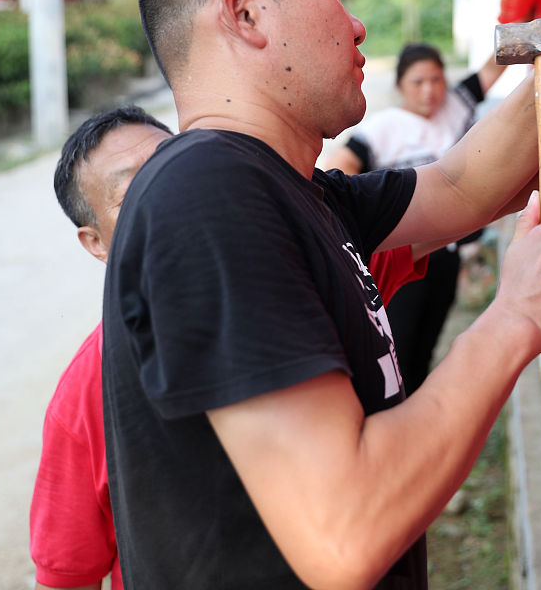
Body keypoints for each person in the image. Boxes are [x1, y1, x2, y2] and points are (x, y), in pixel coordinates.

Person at [104, 0, 541, 589]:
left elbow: (460, 186)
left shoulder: (286, 190)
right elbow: (344, 531)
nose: (358, 24)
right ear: (243, 10)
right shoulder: (208, 197)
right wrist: (516, 318)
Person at [29, 106, 431, 590]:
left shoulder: (300, 274)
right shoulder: (82, 394)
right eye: (131, 192)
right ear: (95, 242)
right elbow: (66, 576)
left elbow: (460, 193)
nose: (166, 198)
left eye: (168, 169)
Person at [324, 44, 506, 390]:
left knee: (426, 346)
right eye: (418, 81)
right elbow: (340, 167)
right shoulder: (382, 128)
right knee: (398, 349)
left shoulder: (455, 106)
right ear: (400, 86)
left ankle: (416, 407)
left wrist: (524, 14)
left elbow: (493, 68)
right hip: (404, 256)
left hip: (448, 254)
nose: (429, 90)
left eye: (437, 79)